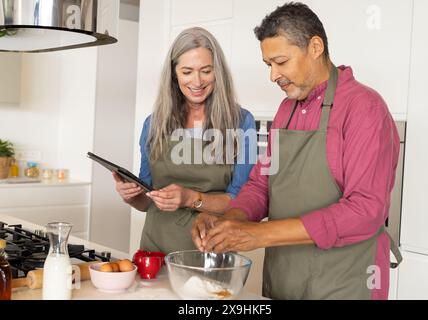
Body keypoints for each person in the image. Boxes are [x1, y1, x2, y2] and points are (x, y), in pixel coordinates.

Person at [191, 2, 402, 300]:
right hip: (286, 277)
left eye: (280, 62)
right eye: (268, 65)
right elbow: (261, 185)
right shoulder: (287, 109)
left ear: (315, 46)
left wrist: (258, 234)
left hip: (345, 281)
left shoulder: (364, 108)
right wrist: (231, 220)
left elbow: (365, 210)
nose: (273, 75)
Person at [114, 27, 256, 255]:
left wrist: (191, 198)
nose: (197, 81)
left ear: (217, 72)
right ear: (174, 74)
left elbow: (241, 201)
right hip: (155, 250)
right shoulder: (154, 124)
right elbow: (147, 202)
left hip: (210, 249)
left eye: (206, 71)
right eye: (187, 71)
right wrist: (132, 196)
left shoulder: (241, 122)